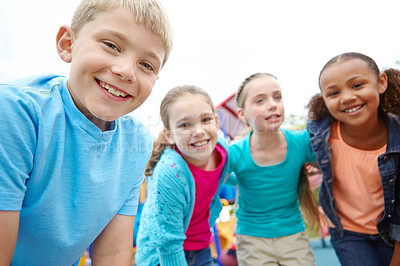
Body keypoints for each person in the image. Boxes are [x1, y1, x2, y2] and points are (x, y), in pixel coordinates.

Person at [0, 0, 173, 264]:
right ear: (67, 43)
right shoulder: (17, 112)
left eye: (146, 65)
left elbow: (113, 254)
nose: (126, 71)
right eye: (111, 45)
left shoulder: (137, 141)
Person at [307, 52, 400, 266]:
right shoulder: (322, 136)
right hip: (347, 232)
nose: (347, 97)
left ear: (381, 83)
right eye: (334, 93)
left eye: (357, 85)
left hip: (392, 229)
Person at [228, 73, 319, 265]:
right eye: (260, 100)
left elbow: (335, 163)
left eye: (277, 97)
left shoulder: (301, 142)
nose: (272, 104)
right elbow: (218, 177)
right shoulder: (236, 152)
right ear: (242, 114)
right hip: (252, 238)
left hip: (293, 234)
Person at [135, 85, 231, 266]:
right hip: (160, 253)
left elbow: (225, 176)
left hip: (199, 245)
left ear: (216, 123)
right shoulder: (170, 172)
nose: (199, 131)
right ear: (169, 135)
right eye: (185, 124)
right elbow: (168, 241)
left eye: (205, 119)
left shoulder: (223, 151)